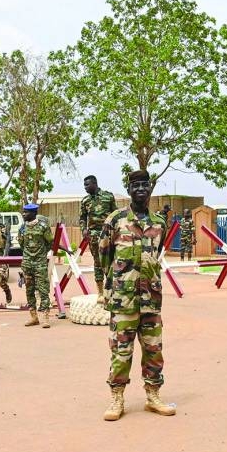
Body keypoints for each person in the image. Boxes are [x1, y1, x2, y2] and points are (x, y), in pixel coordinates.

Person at [98, 170, 175, 421]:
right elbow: (105, 256)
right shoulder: (115, 219)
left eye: (145, 185)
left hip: (151, 298)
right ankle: (117, 397)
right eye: (136, 185)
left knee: (154, 349)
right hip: (123, 299)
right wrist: (112, 286)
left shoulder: (159, 223)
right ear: (129, 189)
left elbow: (157, 254)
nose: (141, 189)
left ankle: (153, 395)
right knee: (121, 351)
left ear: (150, 189)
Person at [79, 175, 117, 295]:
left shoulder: (108, 196)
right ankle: (100, 292)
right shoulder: (85, 200)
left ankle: (111, 289)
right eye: (84, 185)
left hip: (108, 234)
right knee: (97, 262)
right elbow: (82, 218)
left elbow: (115, 214)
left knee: (110, 261)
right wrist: (83, 230)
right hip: (93, 236)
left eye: (87, 184)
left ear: (94, 183)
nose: (85, 187)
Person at [18, 203, 52, 328]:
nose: (24, 214)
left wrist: (40, 254)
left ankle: (45, 317)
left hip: (40, 263)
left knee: (43, 289)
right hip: (27, 263)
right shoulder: (22, 228)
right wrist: (29, 254)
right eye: (24, 212)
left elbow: (49, 243)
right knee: (29, 290)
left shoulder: (43, 227)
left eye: (26, 212)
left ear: (33, 213)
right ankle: (33, 317)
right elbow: (22, 244)